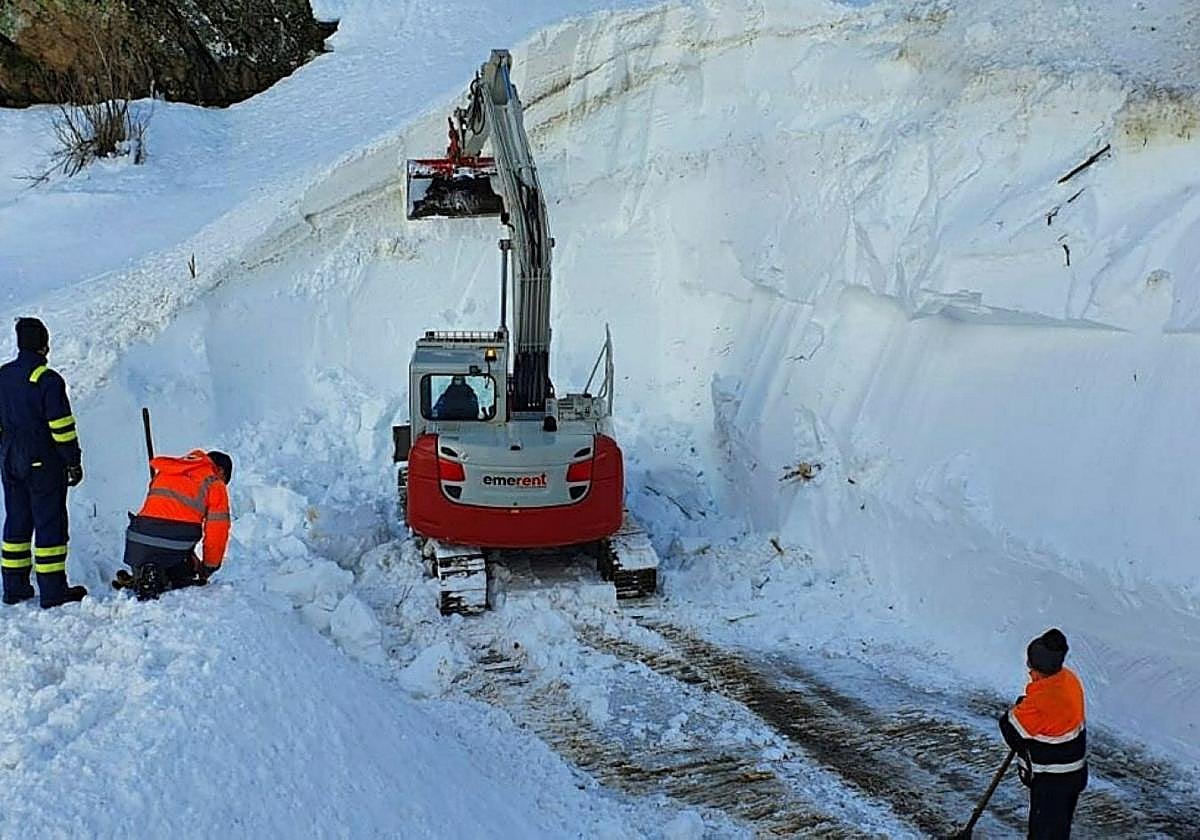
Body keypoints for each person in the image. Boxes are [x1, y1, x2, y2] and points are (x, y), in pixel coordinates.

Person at [0, 317, 87, 608]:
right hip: (42, 460)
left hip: (11, 458)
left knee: (16, 524)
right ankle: (53, 592)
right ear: (43, 345)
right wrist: (73, 461)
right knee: (49, 523)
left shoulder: (4, 376)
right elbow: (61, 427)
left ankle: (14, 589)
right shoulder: (47, 380)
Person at [999, 628, 1088, 839]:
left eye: (1030, 665)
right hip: (1074, 774)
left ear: (1038, 669)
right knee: (1059, 829)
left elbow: (1011, 729)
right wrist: (1028, 705)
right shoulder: (1068, 679)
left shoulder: (1042, 701)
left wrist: (1021, 710)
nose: (1028, 669)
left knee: (1044, 833)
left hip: (1052, 780)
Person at [122, 449, 232, 601]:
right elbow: (217, 531)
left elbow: (166, 516)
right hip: (176, 540)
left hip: (137, 538)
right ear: (220, 470)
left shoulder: (168, 470)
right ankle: (162, 577)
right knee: (184, 572)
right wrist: (208, 566)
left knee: (158, 554)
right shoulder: (214, 482)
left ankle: (145, 573)